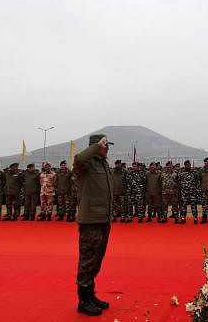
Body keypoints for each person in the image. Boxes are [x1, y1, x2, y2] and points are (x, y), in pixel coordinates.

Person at [74, 134, 114, 316]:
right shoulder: (86, 164)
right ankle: (83, 300)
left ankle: (90, 295)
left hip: (103, 218)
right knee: (88, 259)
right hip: (90, 220)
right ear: (96, 146)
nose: (108, 149)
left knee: (97, 258)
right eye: (105, 146)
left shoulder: (103, 164)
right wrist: (96, 146)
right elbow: (79, 158)